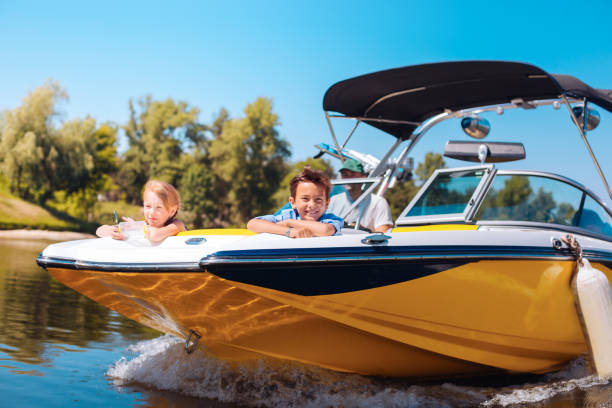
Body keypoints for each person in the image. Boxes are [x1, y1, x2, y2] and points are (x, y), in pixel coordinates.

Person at [247, 167, 343, 238]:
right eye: (305, 199)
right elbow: (252, 224)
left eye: (318, 199)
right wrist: (289, 231)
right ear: (293, 202)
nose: (312, 205)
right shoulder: (287, 215)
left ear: (326, 203)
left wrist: (290, 222)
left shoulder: (331, 220)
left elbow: (325, 230)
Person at [96, 180, 186, 242]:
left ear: (172, 211)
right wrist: (115, 231)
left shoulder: (177, 225)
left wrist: (136, 228)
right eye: (148, 206)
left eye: (159, 208)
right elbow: (99, 231)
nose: (152, 213)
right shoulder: (144, 225)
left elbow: (154, 235)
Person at [327, 158, 393, 233]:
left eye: (352, 174)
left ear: (363, 177)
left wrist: (360, 230)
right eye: (344, 174)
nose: (348, 178)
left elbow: (382, 232)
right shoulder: (334, 200)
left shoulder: (378, 202)